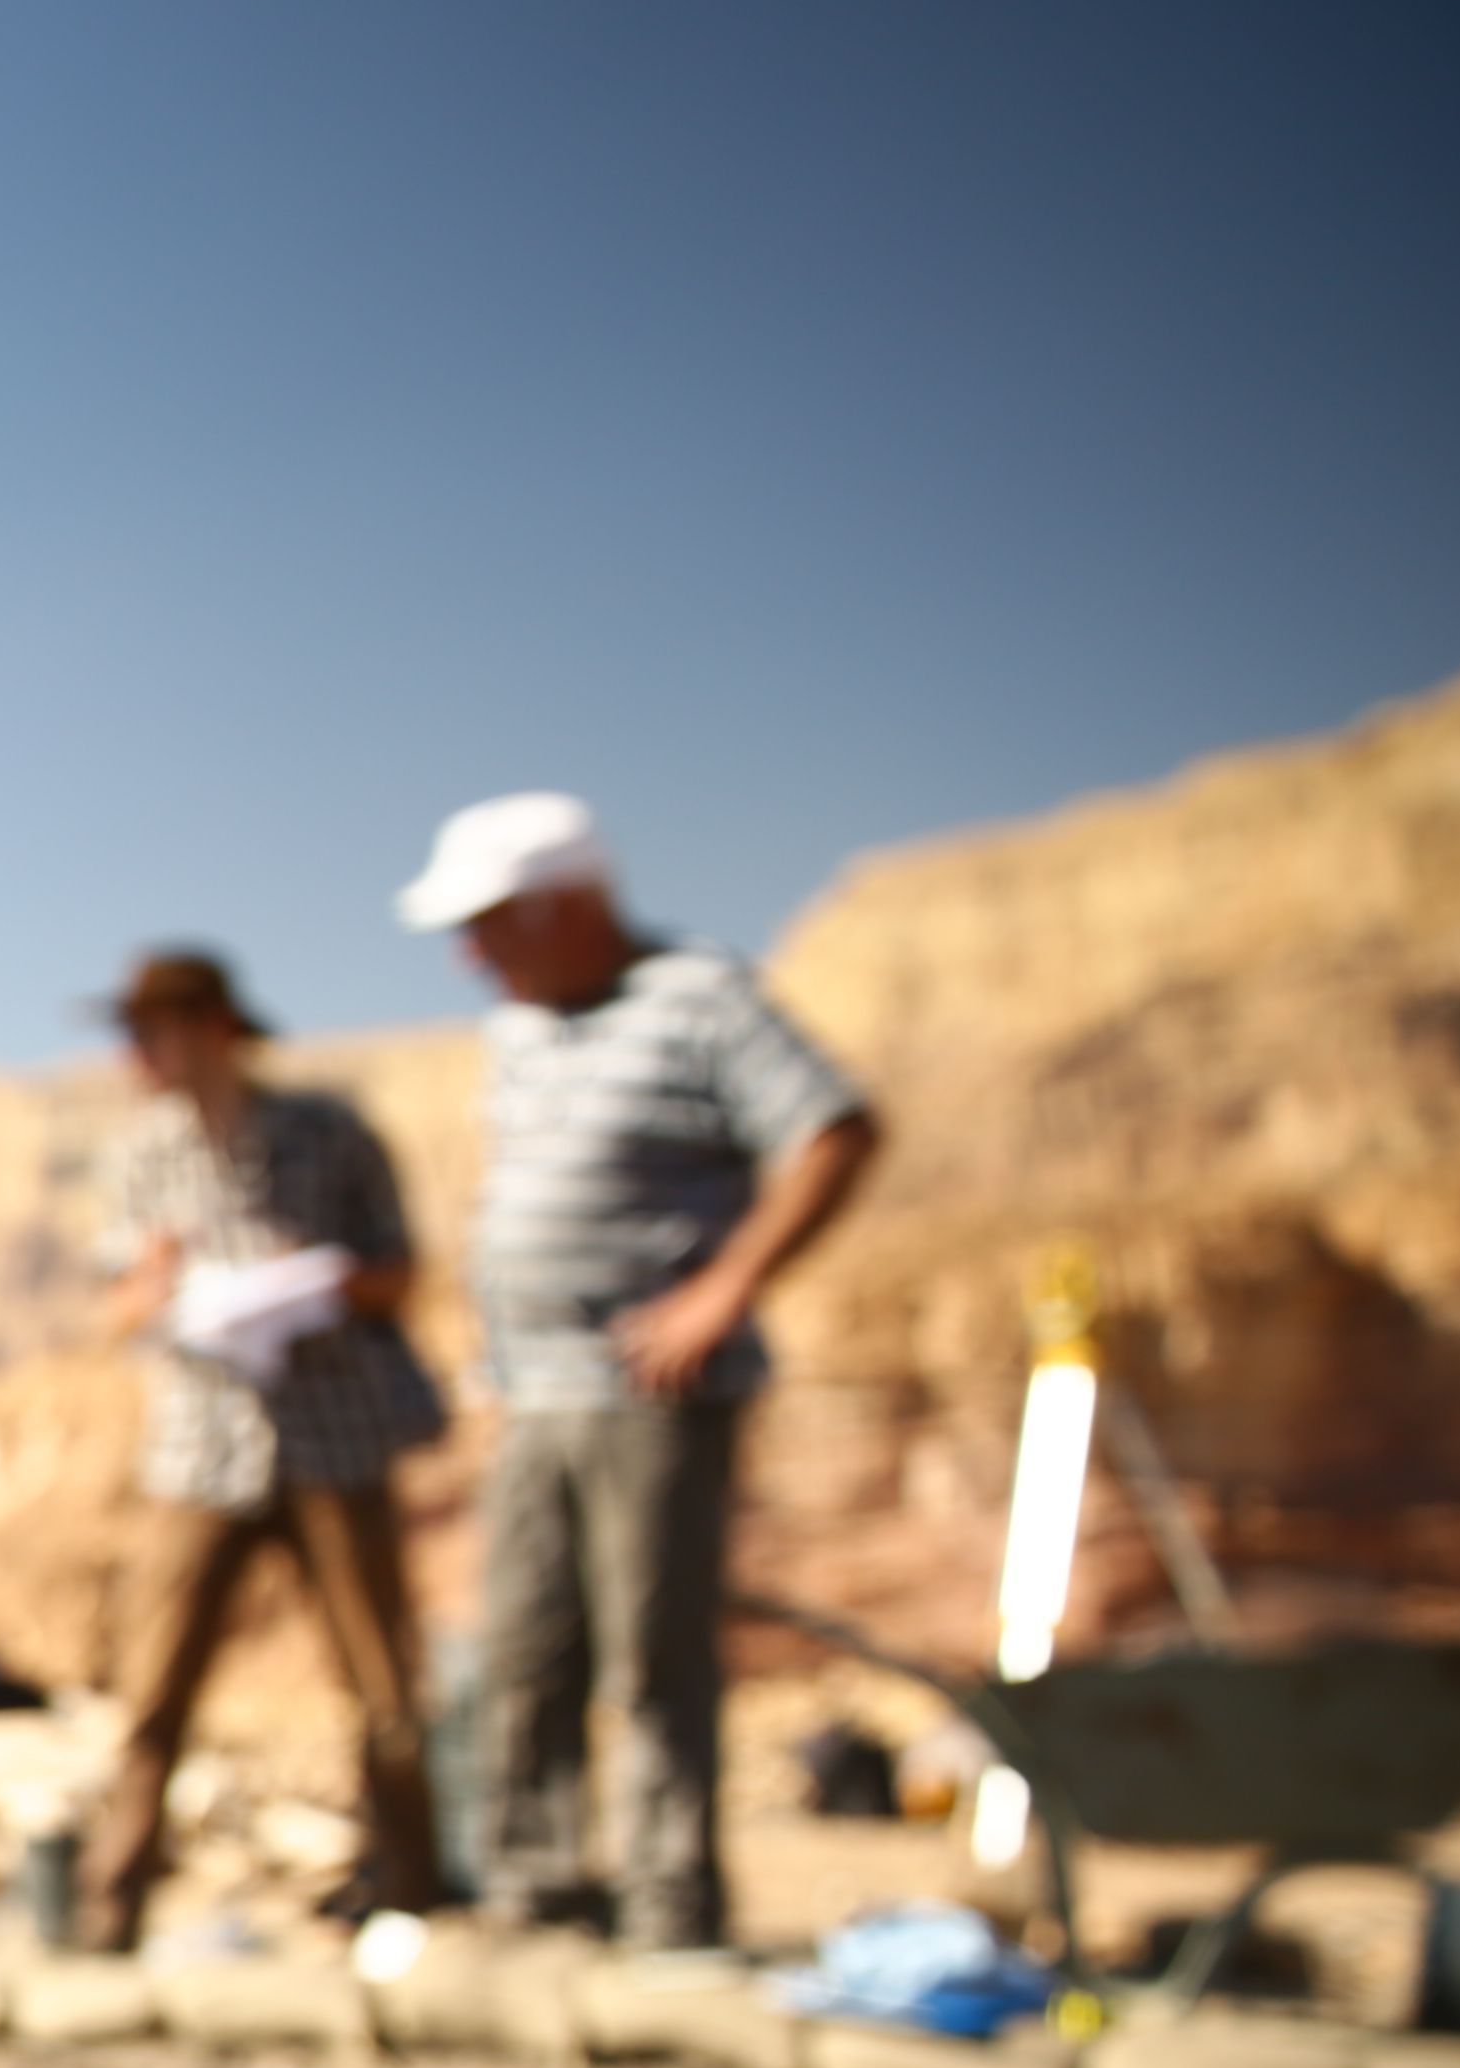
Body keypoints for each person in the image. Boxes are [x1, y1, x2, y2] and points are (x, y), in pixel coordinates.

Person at [401, 792, 880, 1952]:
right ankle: (537, 1891)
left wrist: (720, 1292)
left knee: (651, 1651)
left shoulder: (698, 999)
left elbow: (831, 1132)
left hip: (648, 1393)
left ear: (571, 903)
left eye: (494, 922)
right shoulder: (520, 1034)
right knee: (524, 1646)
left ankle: (670, 1907)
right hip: (536, 1392)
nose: (471, 953)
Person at [71, 950, 450, 1950]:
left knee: (380, 1682)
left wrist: (309, 1280)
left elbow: (399, 1273)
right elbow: (118, 1304)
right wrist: (162, 1290)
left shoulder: (327, 1134)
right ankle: (110, 1912)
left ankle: (413, 1891)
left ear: (215, 1029)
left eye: (150, 1031)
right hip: (201, 1449)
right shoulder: (141, 1154)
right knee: (153, 1689)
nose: (134, 1055)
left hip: (333, 1435)